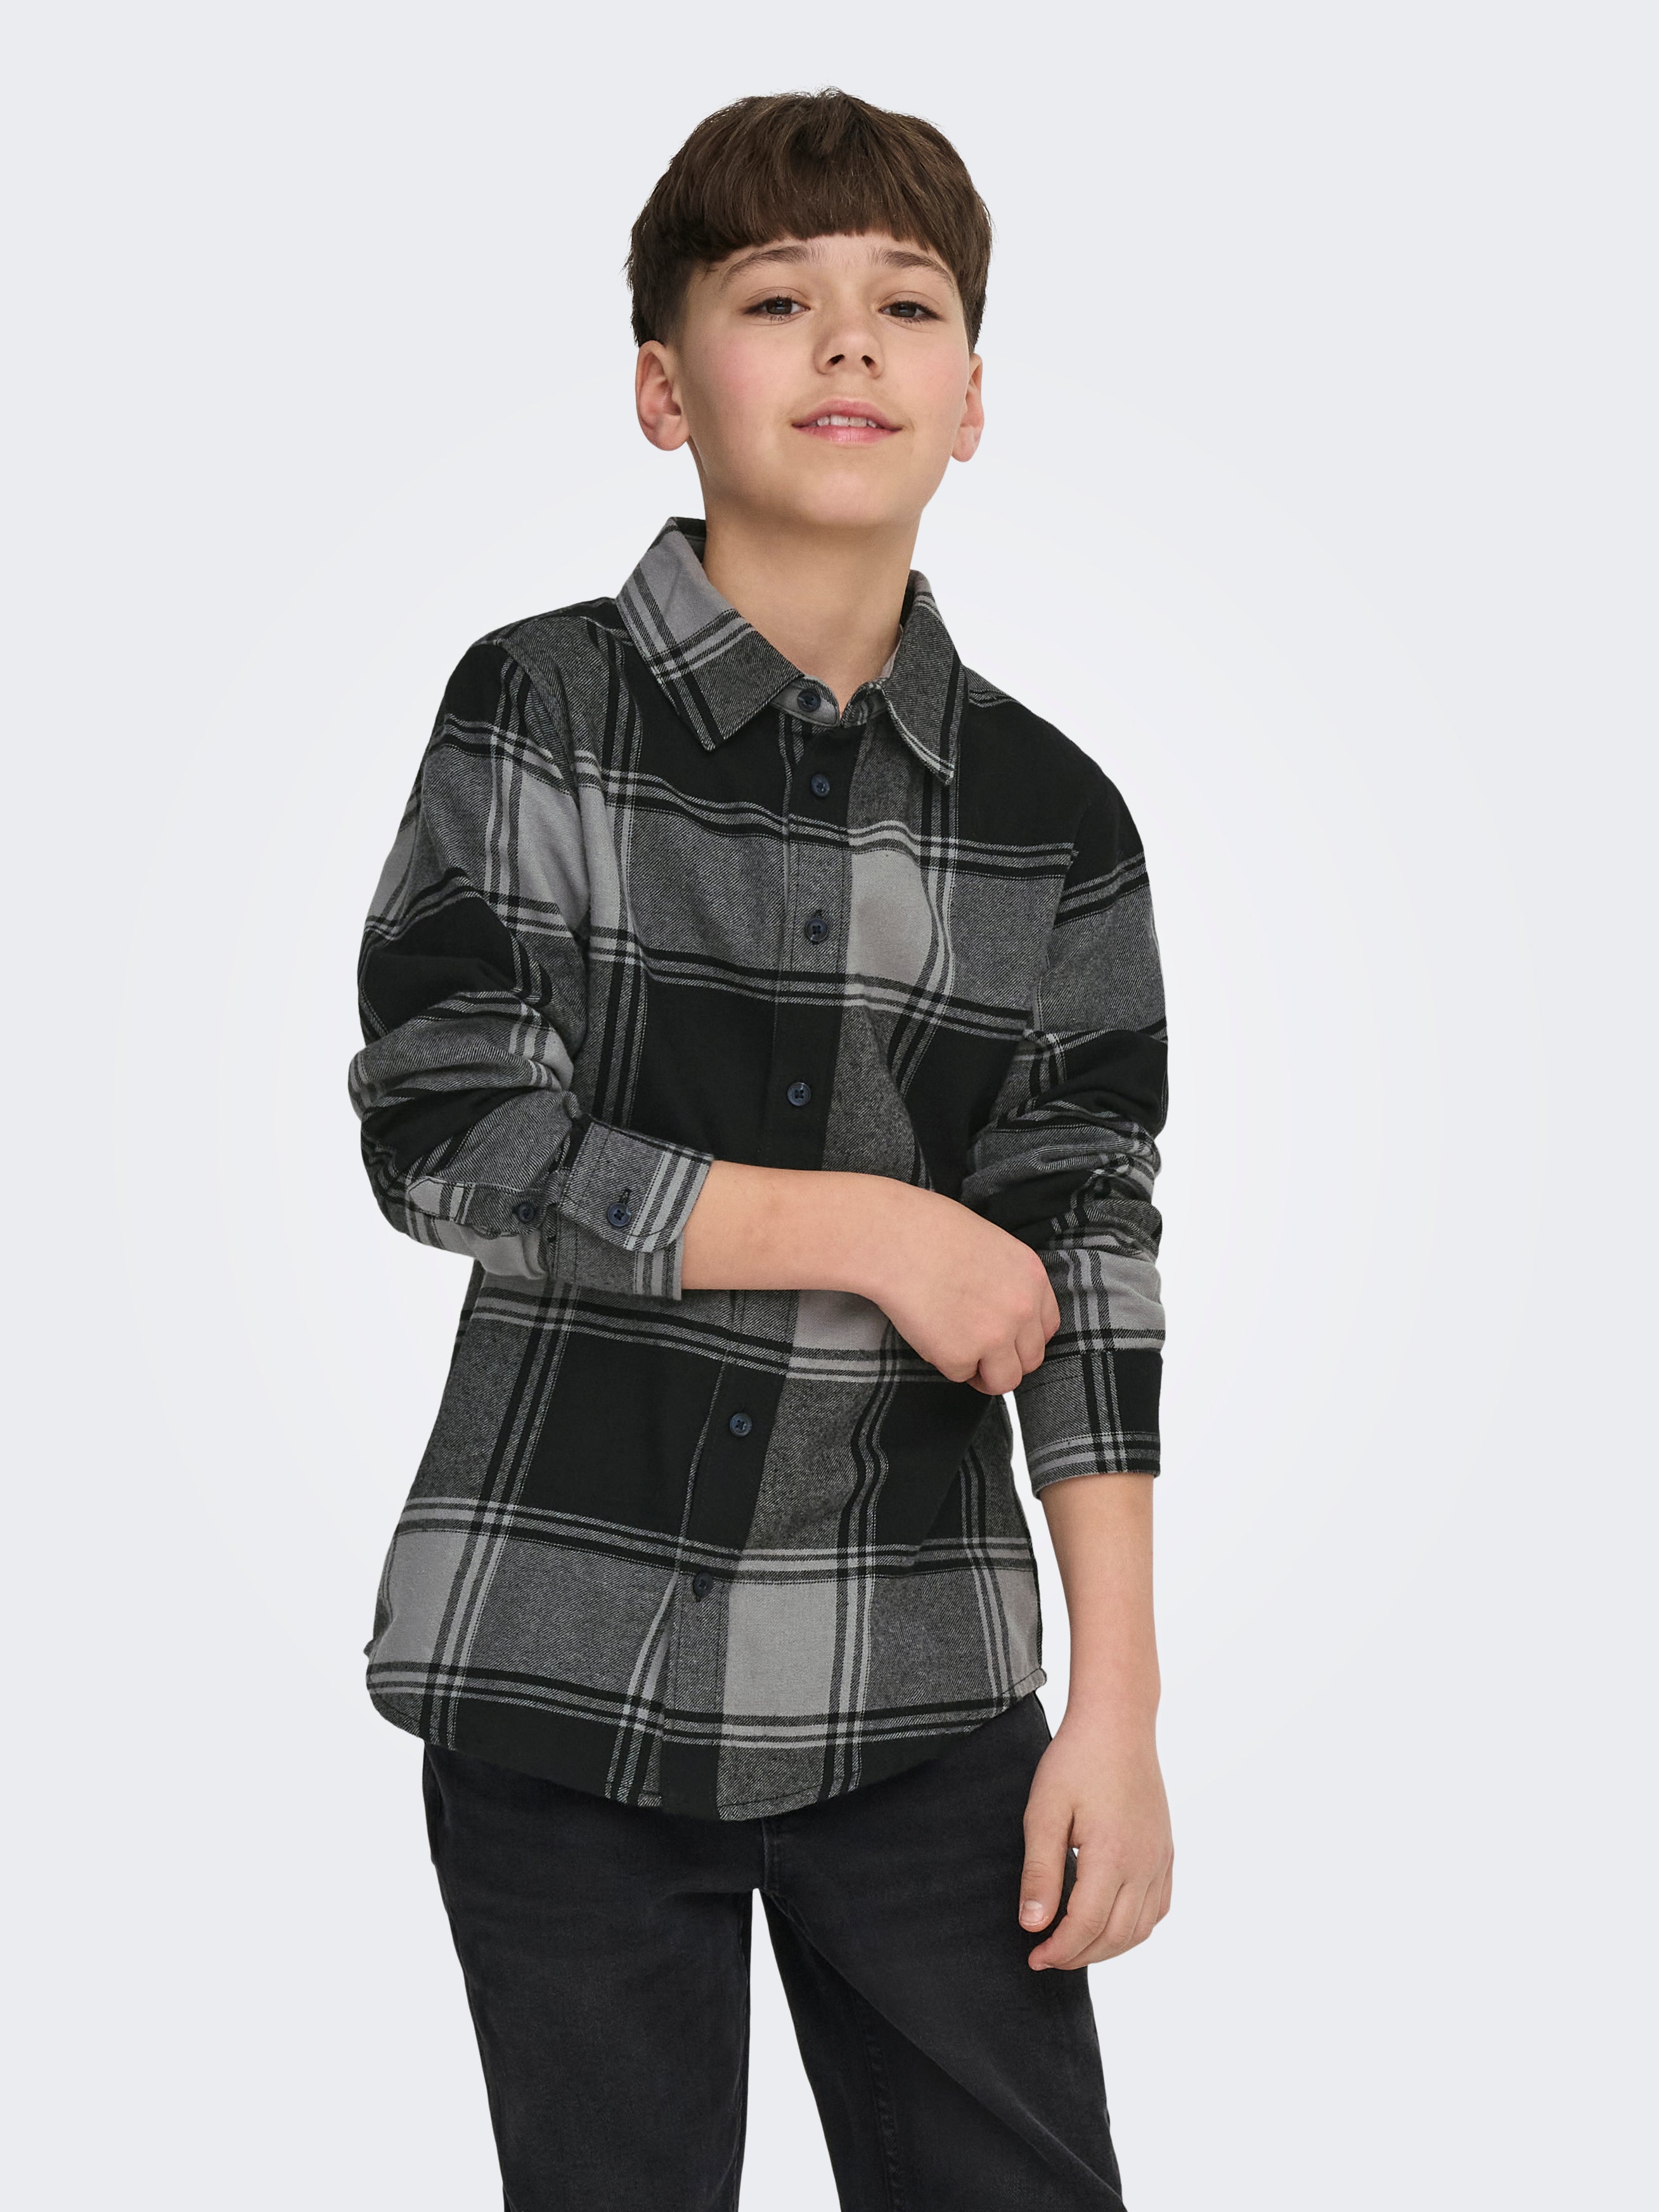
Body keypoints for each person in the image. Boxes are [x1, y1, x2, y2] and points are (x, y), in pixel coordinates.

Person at [348, 86, 1172, 2212]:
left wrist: (1116, 1709)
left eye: (907, 302)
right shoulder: (536, 712)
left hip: (922, 1689)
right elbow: (447, 1130)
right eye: (777, 299)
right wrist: (873, 1228)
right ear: (663, 387)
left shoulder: (1052, 820)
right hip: (561, 1667)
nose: (847, 340)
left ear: (969, 401)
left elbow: (1086, 1252)